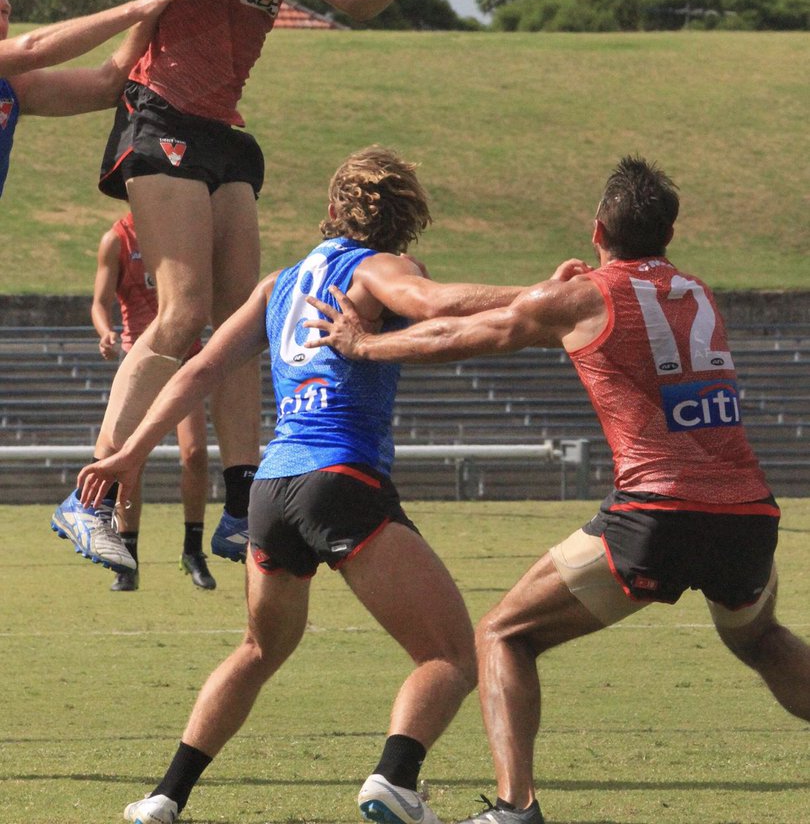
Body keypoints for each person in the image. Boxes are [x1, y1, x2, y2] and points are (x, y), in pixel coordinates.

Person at [305, 156, 810, 824]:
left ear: (598, 227)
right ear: (669, 232)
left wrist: (361, 345)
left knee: (503, 634)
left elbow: (462, 332)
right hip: (749, 512)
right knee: (761, 638)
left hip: (656, 513)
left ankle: (516, 808)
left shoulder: (585, 296)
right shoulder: (696, 290)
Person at [57, 0, 458, 574]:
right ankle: (91, 494)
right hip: (160, 117)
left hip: (223, 132)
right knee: (183, 314)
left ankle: (242, 507)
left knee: (246, 323)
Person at [76, 146, 523, 824]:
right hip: (338, 479)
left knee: (260, 649)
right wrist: (549, 296)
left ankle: (164, 797)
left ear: (339, 208)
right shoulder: (380, 270)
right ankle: (395, 781)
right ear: (406, 214)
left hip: (272, 491)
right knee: (450, 654)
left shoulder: (281, 283)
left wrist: (131, 452)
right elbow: (434, 303)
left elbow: (198, 371)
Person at [89, 211, 216, 592]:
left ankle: (192, 550)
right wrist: (104, 332)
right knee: (133, 459)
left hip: (186, 357)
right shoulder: (117, 240)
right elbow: (99, 302)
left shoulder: (183, 231)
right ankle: (127, 559)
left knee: (194, 453)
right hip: (141, 361)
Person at [0, 0, 196, 197]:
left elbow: (107, 86)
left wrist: (150, 11)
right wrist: (137, 8)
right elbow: (32, 49)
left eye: (4, 12)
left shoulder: (13, 87)